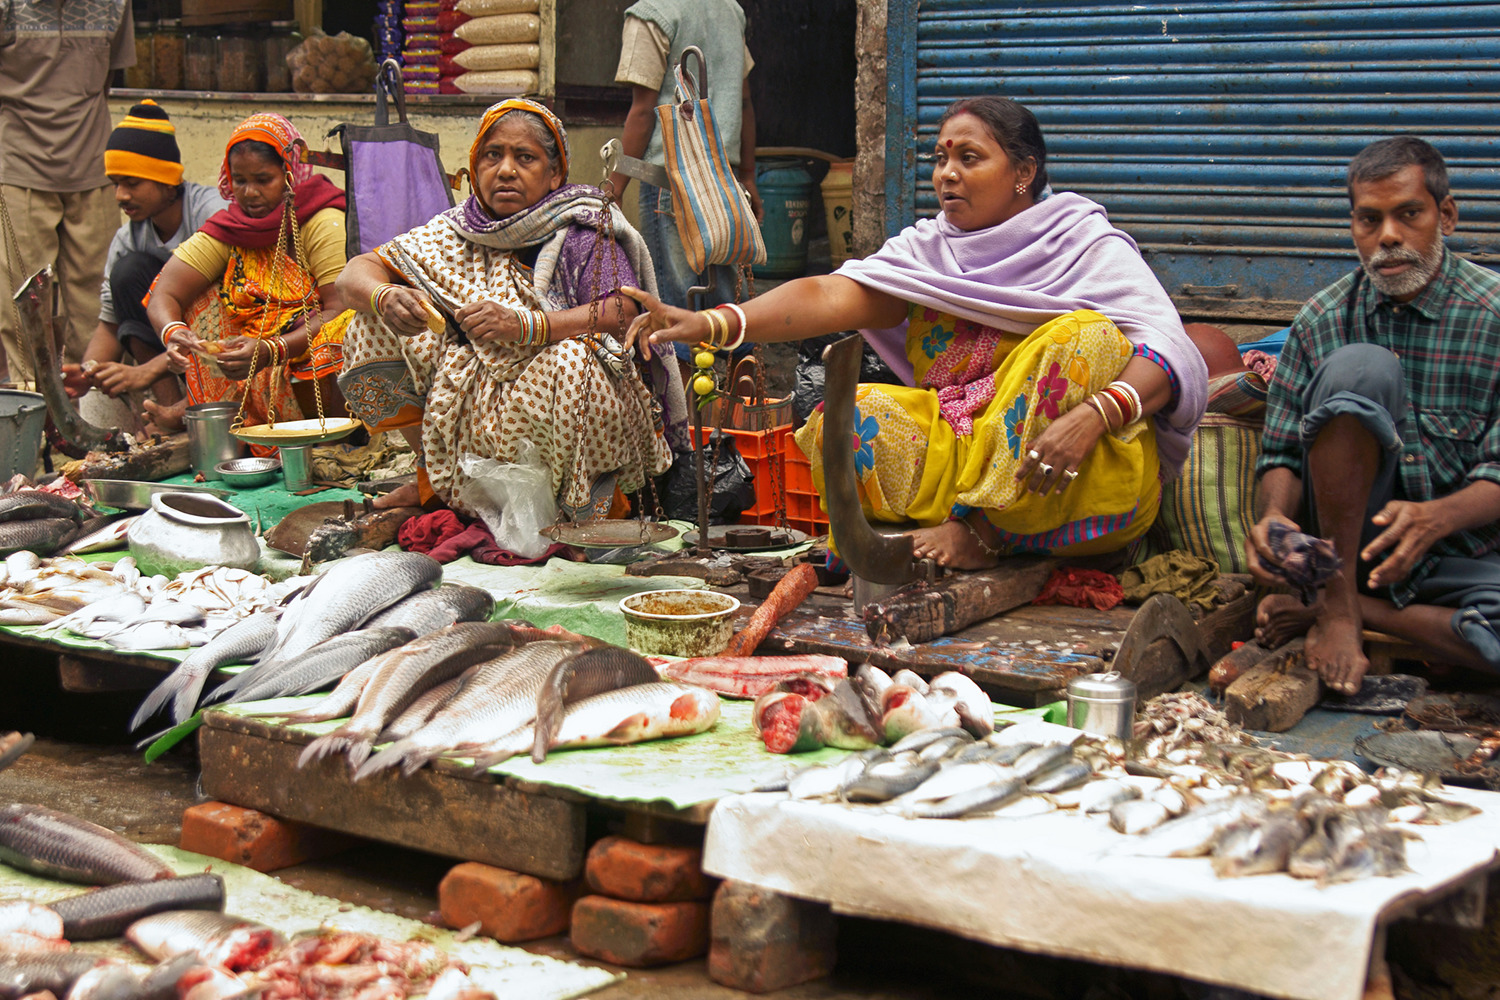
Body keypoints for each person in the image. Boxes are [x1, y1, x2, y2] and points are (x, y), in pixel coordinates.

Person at [625, 96, 1207, 569]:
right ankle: (919, 532)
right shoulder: (928, 250)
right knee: (848, 415)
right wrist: (708, 322)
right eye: (940, 159)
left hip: (1072, 472)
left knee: (1082, 337)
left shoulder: (1083, 244)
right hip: (960, 465)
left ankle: (985, 533)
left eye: (970, 159)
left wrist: (1095, 415)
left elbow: (1170, 351)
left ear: (1024, 173)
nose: (947, 174)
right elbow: (831, 294)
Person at [336, 98, 685, 520]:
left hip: (552, 391)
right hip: (468, 394)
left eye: (525, 158)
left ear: (554, 173)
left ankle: (587, 507)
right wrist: (384, 296)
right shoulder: (455, 229)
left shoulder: (582, 226)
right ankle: (433, 477)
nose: (505, 170)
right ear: (474, 166)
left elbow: (626, 310)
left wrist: (528, 326)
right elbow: (354, 274)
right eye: (492, 155)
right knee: (365, 322)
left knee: (578, 362)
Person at [1249, 136, 1500, 694]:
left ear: (1448, 215)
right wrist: (1273, 519)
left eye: (1408, 214)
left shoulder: (1493, 317)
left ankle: (1348, 611)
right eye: (1369, 220)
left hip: (1451, 556)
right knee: (1360, 368)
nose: (1388, 236)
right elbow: (1283, 452)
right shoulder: (1323, 318)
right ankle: (1338, 605)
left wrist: (1438, 517)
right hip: (1340, 554)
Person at [149, 114, 351, 435]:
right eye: (239, 181)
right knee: (201, 302)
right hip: (254, 349)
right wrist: (174, 334)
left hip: (305, 341)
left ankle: (335, 436)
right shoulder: (236, 227)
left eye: (263, 179)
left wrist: (274, 349)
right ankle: (226, 421)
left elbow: (340, 309)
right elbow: (165, 293)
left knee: (337, 334)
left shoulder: (322, 220)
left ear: (290, 174)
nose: (249, 193)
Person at [610, 0, 760, 369]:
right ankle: (740, 403)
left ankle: (686, 416)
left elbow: (643, 111)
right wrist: (749, 177)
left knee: (675, 309)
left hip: (672, 184)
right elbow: (744, 101)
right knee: (730, 305)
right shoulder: (729, 10)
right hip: (724, 186)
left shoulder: (653, 13)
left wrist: (612, 189)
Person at [61, 101, 227, 414]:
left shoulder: (213, 214)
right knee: (128, 272)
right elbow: (110, 326)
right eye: (116, 184)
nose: (120, 196)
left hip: (224, 339)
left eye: (132, 183)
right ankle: (168, 409)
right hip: (172, 345)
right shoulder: (129, 238)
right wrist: (88, 373)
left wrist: (148, 369)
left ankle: (189, 409)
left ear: (167, 181)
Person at [0, 0, 133, 385]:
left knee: (98, 299)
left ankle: (91, 408)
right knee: (22, 306)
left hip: (93, 166)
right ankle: (33, 408)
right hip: (19, 165)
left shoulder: (115, 4)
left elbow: (109, 78)